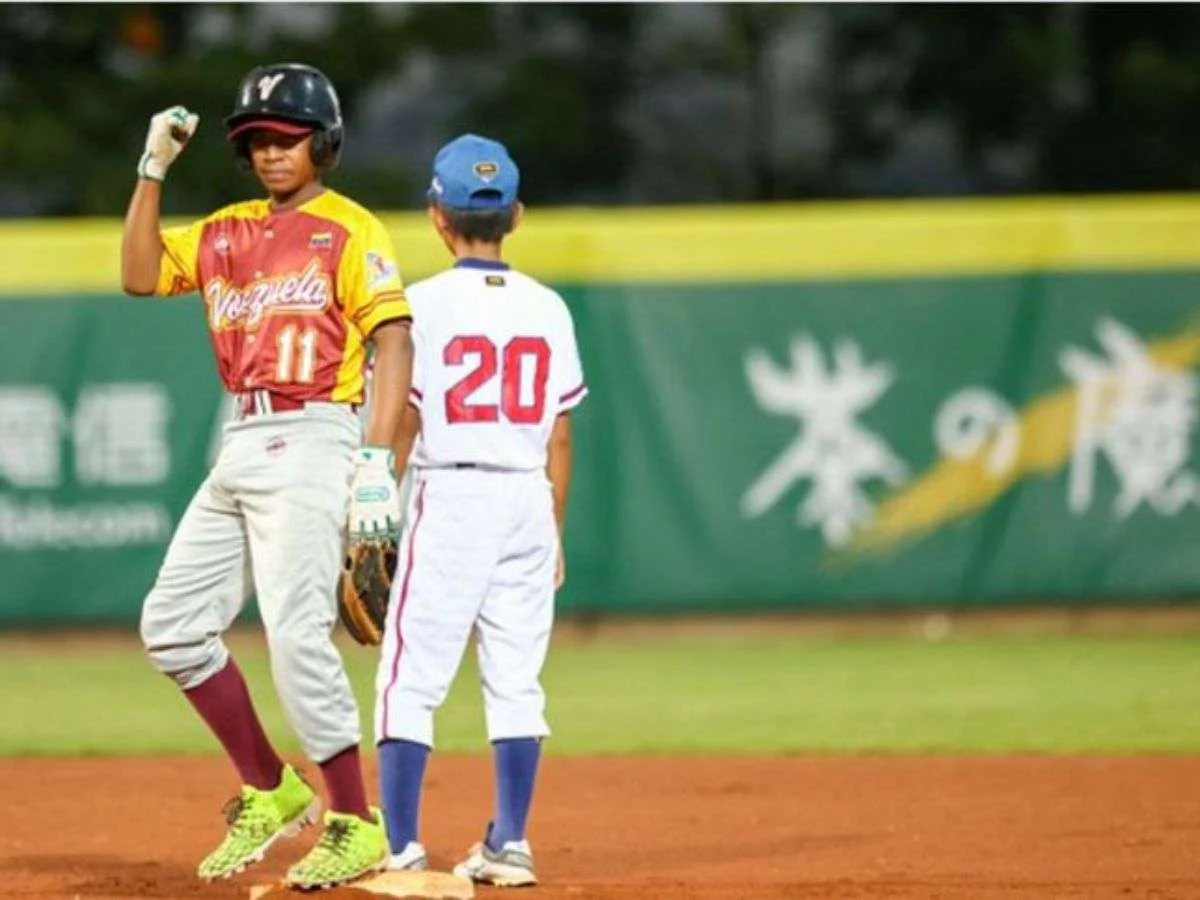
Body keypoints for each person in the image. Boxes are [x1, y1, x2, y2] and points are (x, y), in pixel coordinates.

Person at [120, 62, 413, 890]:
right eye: (256, 141)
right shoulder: (225, 230)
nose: (271, 153)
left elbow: (394, 341)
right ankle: (271, 787)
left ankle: (357, 820)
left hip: (317, 429)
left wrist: (374, 465)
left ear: (324, 142)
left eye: (287, 137)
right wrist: (153, 170)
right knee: (173, 625)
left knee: (294, 636)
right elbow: (140, 275)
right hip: (243, 438)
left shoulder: (351, 230)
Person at [373, 134, 587, 887]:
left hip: (453, 492)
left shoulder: (420, 306)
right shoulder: (550, 307)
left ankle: (400, 849)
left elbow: (405, 418)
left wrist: (372, 513)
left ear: (437, 215)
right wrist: (551, 531)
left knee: (409, 680)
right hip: (527, 495)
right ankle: (511, 845)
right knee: (517, 680)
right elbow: (560, 433)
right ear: (516, 216)